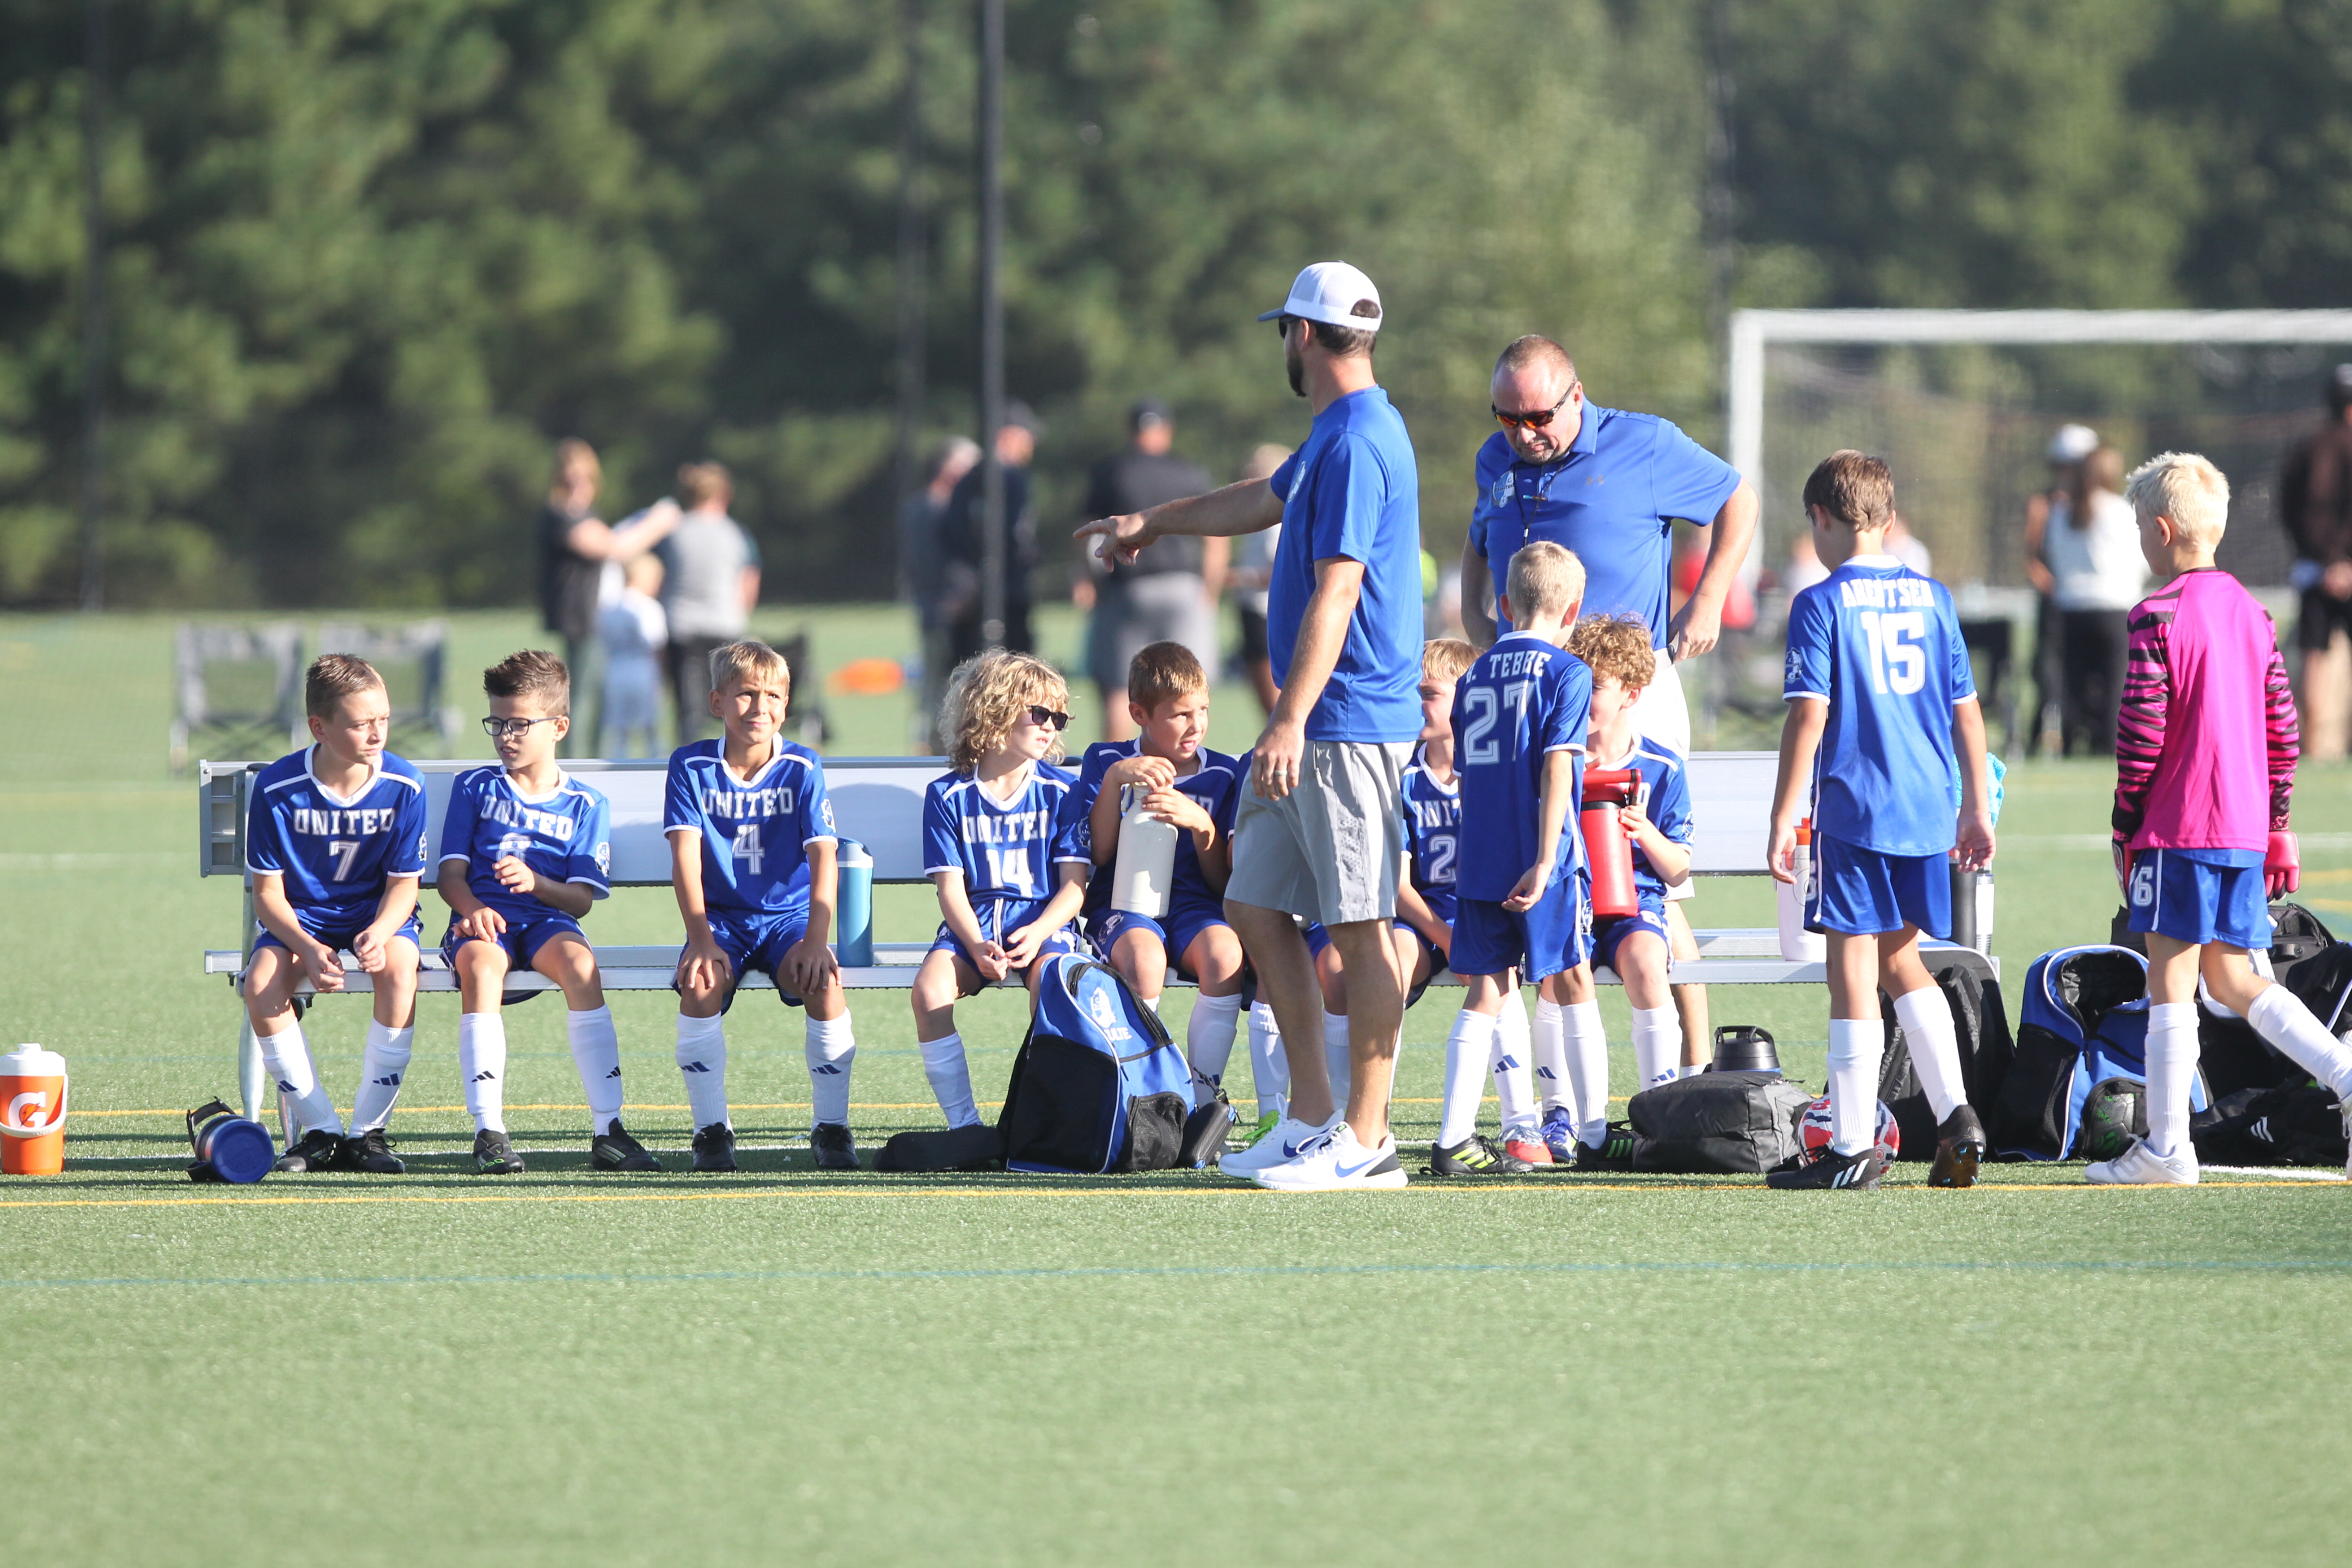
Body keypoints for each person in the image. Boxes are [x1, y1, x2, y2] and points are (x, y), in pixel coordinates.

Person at [1077, 259, 1423, 1193]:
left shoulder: (1358, 441)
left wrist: (1289, 716)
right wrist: (1154, 523)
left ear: (1301, 335)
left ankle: (1368, 1139)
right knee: (1255, 905)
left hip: (1341, 724)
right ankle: (1310, 1118)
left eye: (1284, 331)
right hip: (1310, 726)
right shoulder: (1335, 434)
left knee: (1359, 925)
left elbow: (1339, 591)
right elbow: (1260, 498)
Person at [1460, 334, 1752, 1082]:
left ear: (1577, 396)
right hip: (1535, 699)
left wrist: (1709, 598)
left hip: (1626, 697)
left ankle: (1694, 1070)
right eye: (1507, 418)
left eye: (1538, 417)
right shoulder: (1495, 460)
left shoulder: (1643, 443)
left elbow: (1737, 498)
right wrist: (1474, 619)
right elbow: (1478, 538)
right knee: (1548, 878)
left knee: (1651, 890)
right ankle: (1563, 1097)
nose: (1524, 433)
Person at [2094, 452, 2352, 1184]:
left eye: (2140, 527)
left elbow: (2140, 734)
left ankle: (2168, 1149)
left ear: (2162, 530)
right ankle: (2347, 1077)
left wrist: (2125, 820)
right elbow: (2284, 731)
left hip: (2178, 828)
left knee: (2171, 981)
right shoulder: (2254, 614)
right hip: (2240, 830)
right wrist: (2276, 820)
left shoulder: (2156, 615)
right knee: (2233, 979)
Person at [1765, 452, 1995, 1192]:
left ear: (1820, 518)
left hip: (1858, 807)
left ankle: (1850, 1147)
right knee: (1902, 961)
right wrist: (1974, 805)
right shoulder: (1933, 597)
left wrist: (1785, 812)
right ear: (1889, 519)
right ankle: (1958, 1115)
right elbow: (1966, 711)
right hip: (1927, 807)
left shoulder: (1821, 601)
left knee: (1851, 972)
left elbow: (1809, 715)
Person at [437, 651, 657, 1175]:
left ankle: (609, 1128)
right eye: (497, 723)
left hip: (547, 921)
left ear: (558, 727)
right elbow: (450, 878)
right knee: (482, 966)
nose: (505, 736)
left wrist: (537, 883)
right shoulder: (475, 787)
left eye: (519, 724)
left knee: (581, 966)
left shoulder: (586, 804)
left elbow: (580, 901)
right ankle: (489, 1130)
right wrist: (473, 909)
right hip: (483, 921)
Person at [1434, 543, 1602, 1168]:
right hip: (1542, 857)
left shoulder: (1473, 676)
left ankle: (1452, 1137)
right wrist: (1547, 856)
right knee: (1573, 979)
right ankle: (1592, 1133)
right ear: (1573, 611)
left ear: (1504, 605)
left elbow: (1469, 769)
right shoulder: (1568, 672)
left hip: (1480, 855)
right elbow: (1558, 767)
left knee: (1488, 990)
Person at [666, 639, 856, 1175]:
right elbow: (685, 859)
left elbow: (825, 858)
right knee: (700, 981)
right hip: (721, 921)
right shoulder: (690, 766)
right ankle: (711, 1131)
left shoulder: (802, 765)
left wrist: (817, 940)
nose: (760, 707)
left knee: (824, 981)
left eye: (773, 695)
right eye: (746, 694)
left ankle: (833, 1127)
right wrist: (700, 939)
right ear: (717, 702)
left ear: (787, 705)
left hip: (788, 920)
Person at [243, 654, 427, 1176]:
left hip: (378, 914)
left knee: (400, 969)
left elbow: (404, 886)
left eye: (384, 718)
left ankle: (369, 1133)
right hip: (301, 919)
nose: (377, 733)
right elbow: (268, 895)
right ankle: (320, 1130)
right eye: (361, 723)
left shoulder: (406, 784)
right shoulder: (276, 788)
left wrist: (380, 932)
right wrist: (306, 947)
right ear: (319, 728)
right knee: (260, 983)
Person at [1054, 641, 1250, 1106]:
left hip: (1194, 908)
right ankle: (1145, 1100)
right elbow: (1099, 853)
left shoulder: (1224, 773)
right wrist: (1115, 781)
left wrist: (1203, 826)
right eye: (1180, 715)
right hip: (1122, 908)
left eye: (1203, 710)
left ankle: (1202, 1102)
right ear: (1139, 713)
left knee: (1226, 957)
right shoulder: (1107, 760)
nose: (1196, 725)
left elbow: (1222, 884)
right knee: (1145, 963)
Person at [912, 650, 1089, 1129]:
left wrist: (1038, 933)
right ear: (994, 709)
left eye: (1059, 717)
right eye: (1040, 713)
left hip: (1042, 925)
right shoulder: (947, 795)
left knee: (1054, 990)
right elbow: (950, 891)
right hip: (972, 929)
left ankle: (1045, 1126)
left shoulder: (1063, 791)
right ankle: (965, 1126)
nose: (1051, 726)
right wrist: (975, 945)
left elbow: (1074, 890)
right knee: (929, 992)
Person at [1407, 638, 1541, 1175]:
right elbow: (1394, 886)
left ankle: (1522, 1121)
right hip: (1419, 916)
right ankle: (1364, 1119)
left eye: (1429, 694)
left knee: (1498, 971)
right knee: (1384, 968)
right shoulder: (1401, 774)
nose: (1418, 704)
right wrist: (1446, 938)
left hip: (1480, 911)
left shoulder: (1493, 774)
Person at [1567, 611, 1695, 1100]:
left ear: (1632, 695)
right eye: (1576, 683)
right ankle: (1571, 1115)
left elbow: (1678, 868)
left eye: (1596, 686)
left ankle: (1659, 1109)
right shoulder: (1554, 761)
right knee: (1559, 974)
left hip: (1635, 906)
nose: (1582, 696)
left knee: (1646, 964)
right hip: (1568, 904)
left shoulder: (1661, 766)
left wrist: (1645, 832)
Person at [1077, 401, 1221, 740]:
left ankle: (1116, 768)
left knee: (1119, 687)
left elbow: (1086, 533)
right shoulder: (1189, 471)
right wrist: (1210, 591)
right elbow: (1216, 538)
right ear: (1167, 431)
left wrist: (1088, 579)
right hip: (1184, 587)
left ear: (1131, 431)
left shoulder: (1111, 470)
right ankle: (1187, 768)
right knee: (1189, 690)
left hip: (1129, 588)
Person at [536, 438, 679, 756]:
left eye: (586, 478)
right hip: (581, 618)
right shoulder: (562, 515)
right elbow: (614, 547)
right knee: (581, 700)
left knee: (601, 702)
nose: (580, 487)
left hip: (598, 619)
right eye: (572, 479)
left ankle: (593, 760)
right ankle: (575, 763)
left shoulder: (585, 514)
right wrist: (657, 523)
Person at [2043, 444, 2146, 756]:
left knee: (2074, 684)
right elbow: (2140, 560)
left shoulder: (2061, 513)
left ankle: (2072, 743)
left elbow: (2053, 558)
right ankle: (2110, 745)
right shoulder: (2120, 511)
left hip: (2072, 608)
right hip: (2114, 607)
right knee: (2117, 683)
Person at [658, 462, 762, 743]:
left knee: (689, 711)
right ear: (724, 495)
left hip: (682, 627)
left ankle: (689, 759)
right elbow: (749, 582)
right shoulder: (736, 533)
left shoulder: (673, 532)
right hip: (726, 625)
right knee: (733, 704)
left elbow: (657, 579)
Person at [2280, 365, 2352, 761]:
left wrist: (2324, 561)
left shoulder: (2307, 448)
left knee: (2314, 657)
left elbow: (2289, 511)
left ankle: (2311, 745)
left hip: (2313, 570)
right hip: (2340, 570)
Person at [938, 406, 1043, 663]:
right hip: (1004, 595)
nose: (1031, 445)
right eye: (1027, 437)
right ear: (1008, 435)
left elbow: (951, 537)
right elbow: (1016, 536)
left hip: (971, 593)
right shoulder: (1010, 479)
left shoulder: (970, 479)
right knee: (1016, 670)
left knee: (970, 673)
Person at [902, 436, 983, 751]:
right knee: (943, 690)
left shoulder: (927, 507)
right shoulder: (931, 509)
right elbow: (931, 564)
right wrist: (957, 596)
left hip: (947, 610)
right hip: (943, 611)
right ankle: (940, 753)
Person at [2023, 422, 2099, 757]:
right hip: (2056, 603)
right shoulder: (2044, 504)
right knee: (2050, 671)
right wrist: (2055, 587)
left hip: (2087, 602)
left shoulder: (2099, 505)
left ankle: (2091, 730)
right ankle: (2045, 735)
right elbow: (2033, 559)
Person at [1228, 443, 1291, 714]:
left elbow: (1280, 571)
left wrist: (1239, 578)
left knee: (1273, 699)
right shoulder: (1257, 520)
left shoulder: (1274, 523)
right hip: (1252, 611)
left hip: (1264, 611)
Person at [599, 554, 668, 758]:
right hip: (644, 670)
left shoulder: (610, 607)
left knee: (619, 731)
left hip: (615, 670)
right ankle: (656, 766)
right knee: (651, 728)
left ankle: (617, 767)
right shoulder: (649, 607)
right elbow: (656, 645)